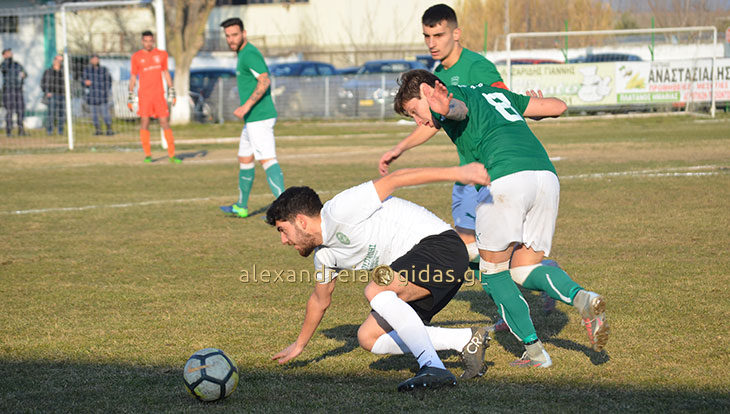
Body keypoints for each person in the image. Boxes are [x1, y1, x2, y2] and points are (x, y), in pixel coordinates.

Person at [392, 70, 610, 367]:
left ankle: (535, 354)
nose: (419, 121)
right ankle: (583, 298)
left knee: (493, 274)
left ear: (429, 92)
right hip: (545, 176)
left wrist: (445, 108)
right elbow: (557, 107)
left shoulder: (453, 98)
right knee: (524, 268)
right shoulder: (496, 93)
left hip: (506, 179)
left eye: (415, 112)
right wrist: (538, 108)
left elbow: (457, 109)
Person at [378, 3, 555, 331]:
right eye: (427, 36)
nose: (432, 42)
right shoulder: (436, 77)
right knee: (471, 249)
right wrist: (400, 148)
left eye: (439, 34)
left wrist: (538, 110)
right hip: (466, 176)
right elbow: (433, 123)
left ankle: (539, 278)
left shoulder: (478, 67)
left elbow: (504, 107)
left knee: (465, 247)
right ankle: (525, 290)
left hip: (491, 173)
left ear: (456, 34)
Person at [266, 163, 493, 391]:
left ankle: (432, 366)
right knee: (368, 337)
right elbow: (320, 300)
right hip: (423, 270)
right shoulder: (325, 256)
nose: (284, 241)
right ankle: (465, 339)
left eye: (283, 230)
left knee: (376, 289)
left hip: (441, 247)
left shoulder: (339, 210)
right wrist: (300, 344)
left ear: (301, 221)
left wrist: (458, 173)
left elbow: (396, 178)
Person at [218, 18, 284, 219]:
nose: (231, 39)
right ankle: (241, 206)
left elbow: (264, 80)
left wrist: (245, 106)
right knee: (245, 158)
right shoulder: (242, 54)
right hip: (251, 119)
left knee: (267, 160)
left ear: (244, 34)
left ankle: (285, 212)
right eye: (228, 36)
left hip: (259, 117)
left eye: (235, 35)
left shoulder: (249, 53)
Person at [129, 30, 180, 163]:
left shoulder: (161, 54)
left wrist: (172, 90)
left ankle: (172, 155)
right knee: (144, 123)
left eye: (150, 41)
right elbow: (133, 76)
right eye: (145, 41)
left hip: (159, 96)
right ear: (142, 41)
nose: (148, 43)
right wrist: (130, 95)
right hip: (145, 96)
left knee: (164, 122)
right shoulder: (136, 57)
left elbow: (166, 72)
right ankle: (148, 154)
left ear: (153, 41)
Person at [82, 54, 114, 136]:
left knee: (105, 114)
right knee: (94, 115)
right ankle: (98, 130)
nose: (95, 61)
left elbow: (109, 81)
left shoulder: (103, 70)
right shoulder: (87, 70)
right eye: (93, 59)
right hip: (92, 96)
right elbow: (83, 81)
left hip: (102, 96)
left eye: (96, 59)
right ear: (91, 60)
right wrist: (85, 83)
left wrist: (105, 90)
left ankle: (109, 129)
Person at [1, 48, 27, 137]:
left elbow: (25, 72)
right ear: (4, 55)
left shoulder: (16, 64)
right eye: (8, 53)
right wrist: (8, 59)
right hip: (8, 91)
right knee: (9, 111)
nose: (10, 54)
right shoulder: (4, 64)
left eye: (10, 52)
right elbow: (4, 69)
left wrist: (24, 75)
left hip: (18, 90)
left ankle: (21, 130)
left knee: (20, 110)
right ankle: (9, 132)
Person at [41, 54, 66, 136]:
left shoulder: (64, 72)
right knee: (51, 114)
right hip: (52, 95)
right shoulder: (48, 71)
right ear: (54, 60)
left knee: (61, 114)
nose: (59, 62)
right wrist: (47, 91)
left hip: (62, 95)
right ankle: (50, 131)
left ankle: (60, 131)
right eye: (58, 60)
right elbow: (42, 83)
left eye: (61, 60)